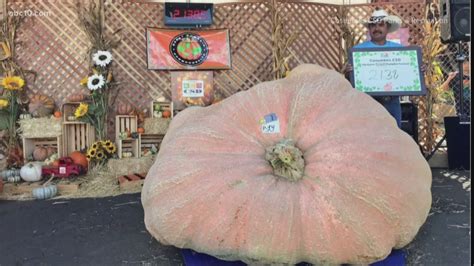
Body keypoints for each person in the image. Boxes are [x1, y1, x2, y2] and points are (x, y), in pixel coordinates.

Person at [344, 9, 404, 128]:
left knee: (394, 136)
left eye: (381, 25)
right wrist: (348, 73)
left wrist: (418, 70)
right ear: (369, 29)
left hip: (392, 102)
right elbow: (350, 80)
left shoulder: (399, 49)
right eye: (373, 25)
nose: (376, 28)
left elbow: (407, 73)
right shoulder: (359, 51)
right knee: (369, 136)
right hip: (367, 102)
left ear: (387, 27)